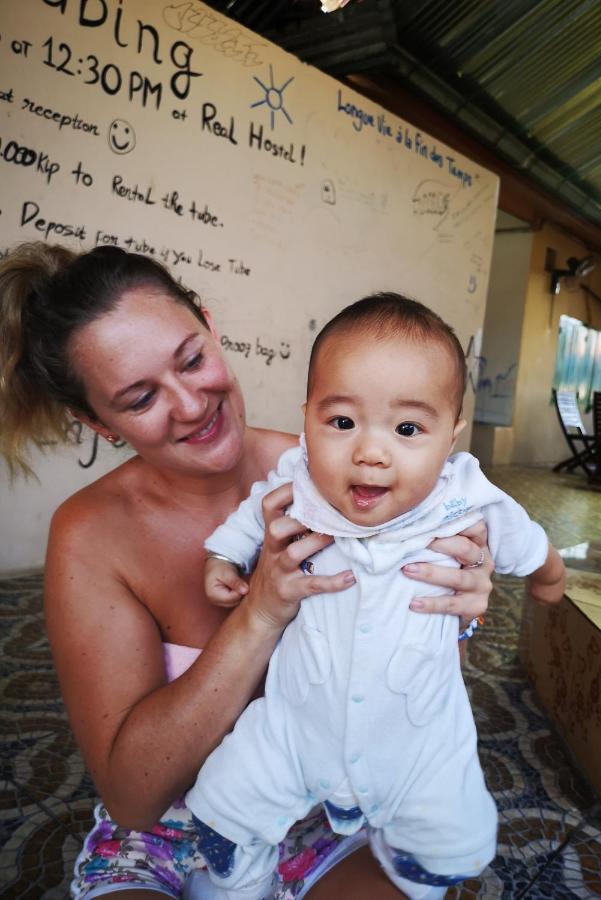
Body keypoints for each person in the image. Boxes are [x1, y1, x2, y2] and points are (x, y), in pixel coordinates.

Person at [0, 245, 496, 900]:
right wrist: (260, 614)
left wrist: (458, 609)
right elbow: (134, 798)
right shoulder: (90, 534)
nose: (190, 403)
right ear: (97, 422)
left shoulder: (346, 477)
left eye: (192, 359)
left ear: (210, 325)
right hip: (169, 839)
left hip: (331, 810)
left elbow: (415, 691)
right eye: (140, 396)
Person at [186, 294, 567, 899]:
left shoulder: (467, 497)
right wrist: (223, 555)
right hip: (296, 721)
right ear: (307, 416)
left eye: (409, 428)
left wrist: (548, 578)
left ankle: (419, 860)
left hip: (414, 734)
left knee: (448, 825)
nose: (370, 451)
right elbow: (253, 515)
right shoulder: (299, 480)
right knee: (236, 788)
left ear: (451, 436)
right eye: (341, 423)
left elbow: (529, 543)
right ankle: (238, 863)